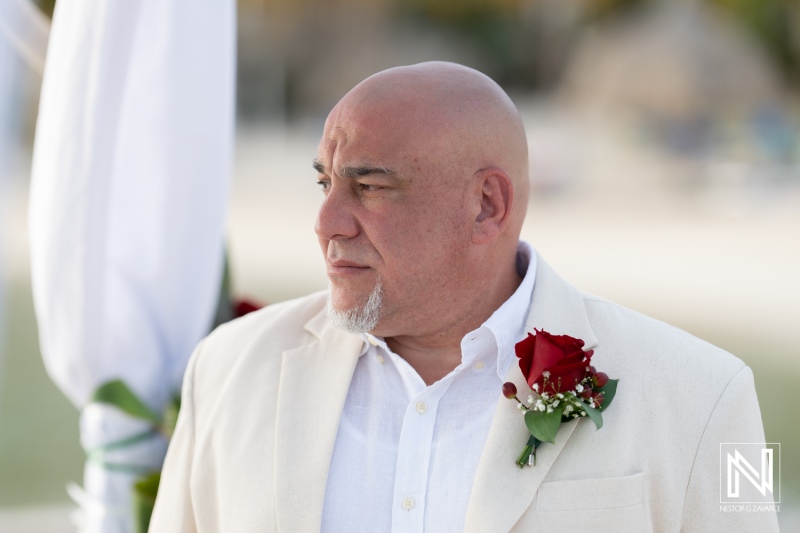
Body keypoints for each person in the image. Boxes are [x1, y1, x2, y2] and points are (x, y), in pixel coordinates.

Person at [149, 62, 778, 532]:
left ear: (486, 206)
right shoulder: (227, 369)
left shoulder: (709, 395)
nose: (327, 223)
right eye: (324, 184)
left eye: (368, 186)